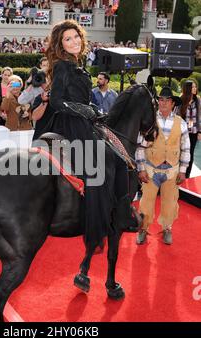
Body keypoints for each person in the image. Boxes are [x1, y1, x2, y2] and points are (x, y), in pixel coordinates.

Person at [45, 20, 139, 250]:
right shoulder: (62, 66)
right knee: (98, 169)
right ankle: (96, 231)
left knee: (118, 156)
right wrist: (81, 109)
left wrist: (93, 109)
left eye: (76, 36)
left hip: (84, 119)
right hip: (70, 124)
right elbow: (56, 102)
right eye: (67, 39)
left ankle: (120, 212)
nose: (74, 41)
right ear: (60, 44)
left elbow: (80, 98)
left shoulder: (77, 64)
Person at [135, 86, 190, 245]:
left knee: (170, 203)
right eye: (161, 99)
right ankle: (143, 229)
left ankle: (167, 229)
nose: (163, 102)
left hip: (172, 171)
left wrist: (182, 171)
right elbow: (140, 146)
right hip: (151, 169)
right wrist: (141, 169)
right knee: (145, 202)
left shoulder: (181, 123)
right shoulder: (150, 120)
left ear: (173, 103)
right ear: (157, 101)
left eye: (167, 100)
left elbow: (185, 148)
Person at [176, 80, 201, 178]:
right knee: (180, 152)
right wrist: (186, 104)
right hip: (182, 132)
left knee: (190, 154)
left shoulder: (198, 100)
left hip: (194, 132)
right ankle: (177, 174)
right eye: (193, 87)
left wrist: (200, 131)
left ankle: (187, 175)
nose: (195, 89)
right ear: (187, 89)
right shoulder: (181, 99)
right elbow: (177, 115)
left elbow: (199, 117)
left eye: (195, 87)